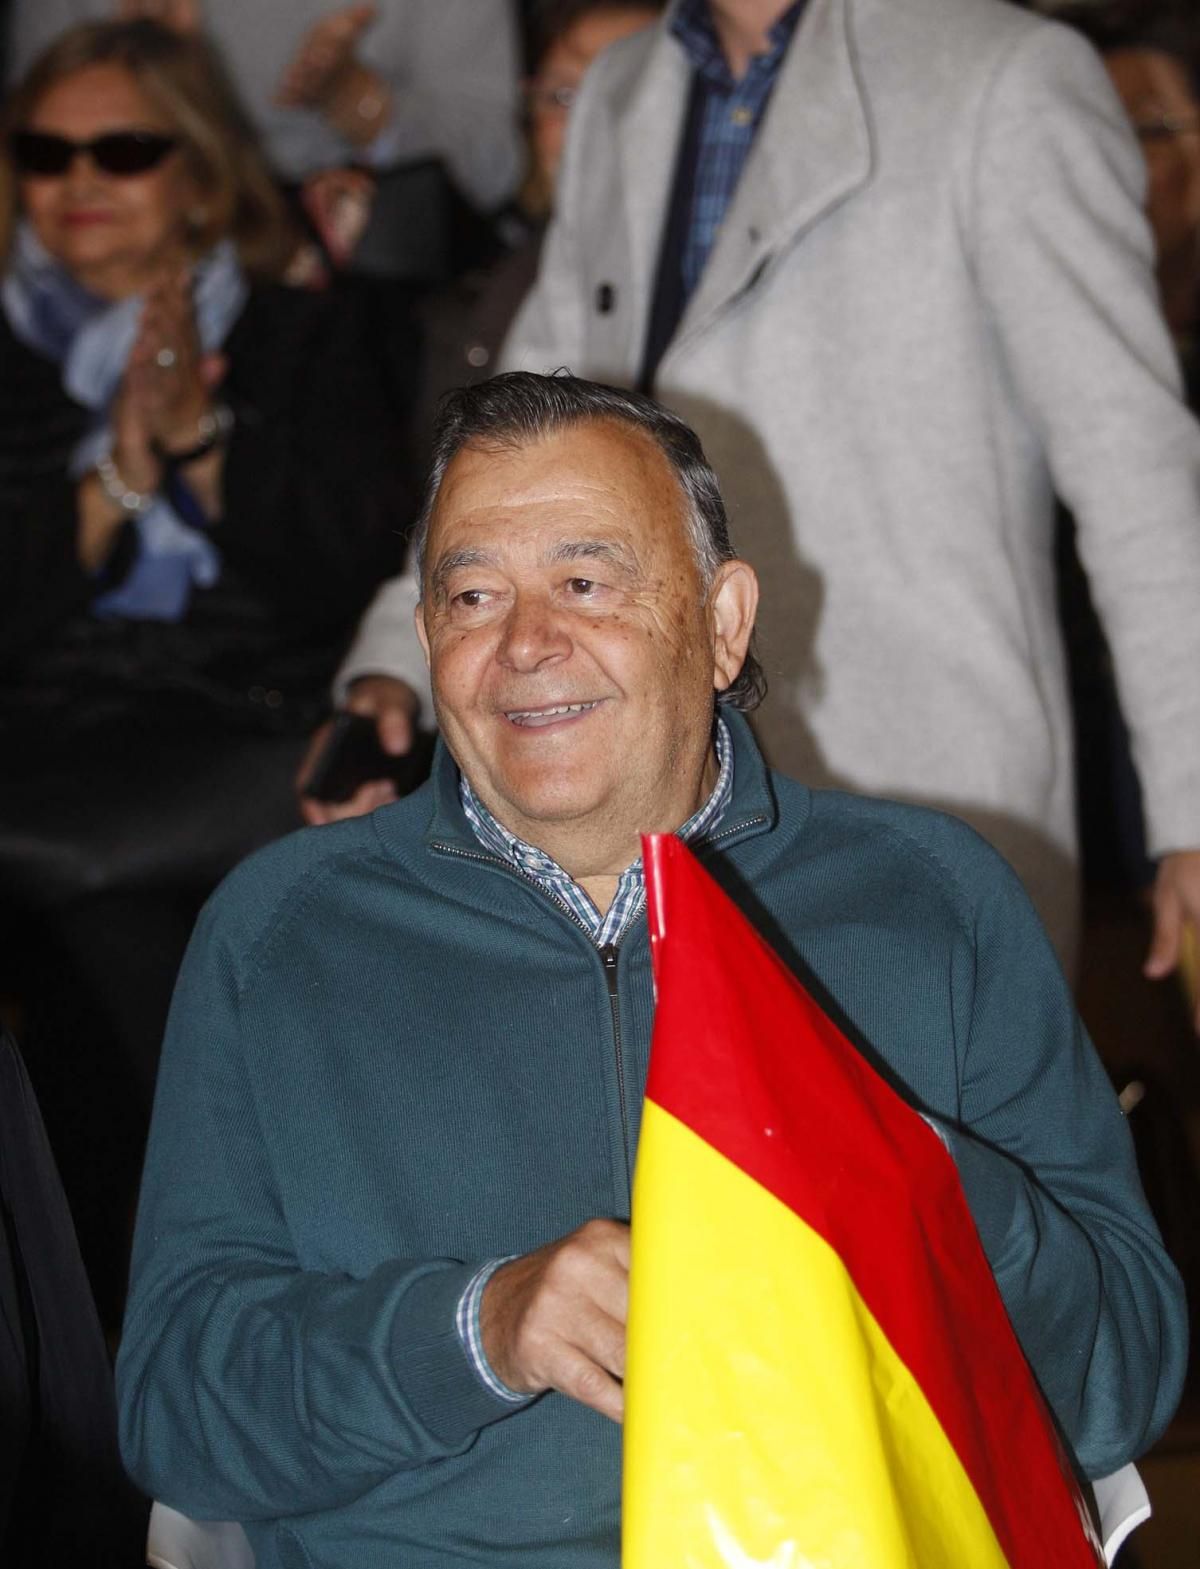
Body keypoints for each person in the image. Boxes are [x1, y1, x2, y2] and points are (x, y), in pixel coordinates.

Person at [117, 373, 1186, 1563]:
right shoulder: (284, 937)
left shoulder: (929, 905)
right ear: (428, 643)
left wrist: (913, 1182)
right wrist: (478, 1332)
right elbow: (173, 1409)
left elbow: (1123, 1378)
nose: (525, 643)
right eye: (473, 594)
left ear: (724, 626)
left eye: (586, 582)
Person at [336, 0, 1200, 993]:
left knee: (916, 1133)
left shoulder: (1005, 72)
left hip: (920, 764)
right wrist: (394, 668)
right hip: (662, 774)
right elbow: (518, 448)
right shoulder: (626, 86)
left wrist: (1192, 806)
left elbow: (1131, 461)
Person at [0, 18, 411, 1326]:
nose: (77, 179)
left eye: (121, 147)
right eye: (45, 150)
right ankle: (190, 1321)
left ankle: (177, 1326)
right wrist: (121, 471)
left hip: (250, 744)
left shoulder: (297, 336)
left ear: (200, 168)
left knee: (158, 949)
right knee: (110, 969)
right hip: (55, 753)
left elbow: (353, 575)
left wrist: (207, 443)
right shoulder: (3, 354)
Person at [297, 0, 663, 824]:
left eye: (630, 89)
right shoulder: (485, 299)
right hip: (530, 700)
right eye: (564, 96)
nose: (594, 123)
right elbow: (464, 527)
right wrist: (387, 678)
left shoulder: (742, 300)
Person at [8, 0, 524, 280]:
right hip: (95, 268)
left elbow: (494, 164)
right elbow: (32, 146)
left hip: (339, 272)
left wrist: (362, 103)